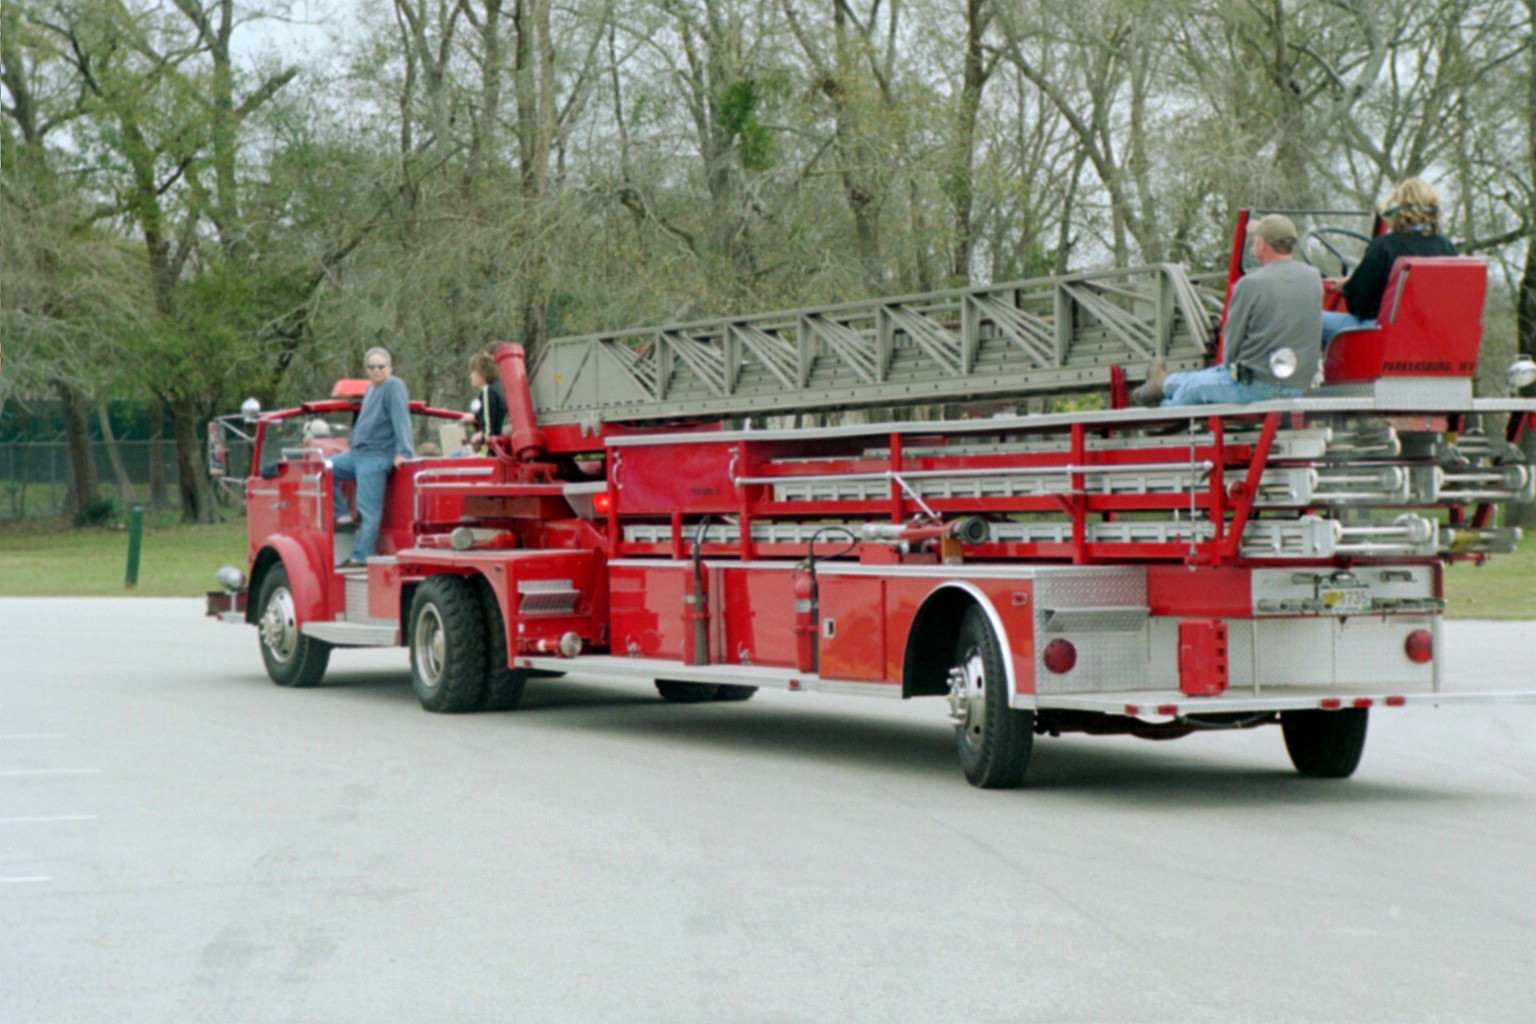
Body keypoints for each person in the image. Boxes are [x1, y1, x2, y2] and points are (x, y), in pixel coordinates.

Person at [1134, 213, 1321, 407]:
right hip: (1298, 385)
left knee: (1192, 390)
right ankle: (1162, 382)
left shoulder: (1251, 284)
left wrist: (1230, 365)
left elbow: (1231, 343)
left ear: (1262, 244)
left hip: (1257, 387)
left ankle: (1162, 406)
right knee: (1203, 378)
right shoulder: (1313, 277)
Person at [1321, 177, 1458, 343]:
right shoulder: (1447, 248)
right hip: (1428, 337)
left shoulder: (1384, 246)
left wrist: (1347, 287)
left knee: (1310, 320)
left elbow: (1359, 306)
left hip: (1381, 334)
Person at [329, 347, 414, 567]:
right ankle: (343, 516)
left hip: (377, 455)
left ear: (390, 368)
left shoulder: (394, 386)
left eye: (381, 366)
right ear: (366, 369)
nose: (376, 371)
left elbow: (401, 419)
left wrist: (405, 452)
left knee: (369, 509)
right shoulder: (370, 389)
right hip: (356, 453)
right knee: (324, 469)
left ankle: (361, 555)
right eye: (372, 367)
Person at [460, 350, 508, 455]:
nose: (470, 376)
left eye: (473, 372)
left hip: (492, 452)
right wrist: (476, 417)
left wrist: (483, 454)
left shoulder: (487, 392)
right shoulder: (497, 389)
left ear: (482, 373)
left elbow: (489, 430)